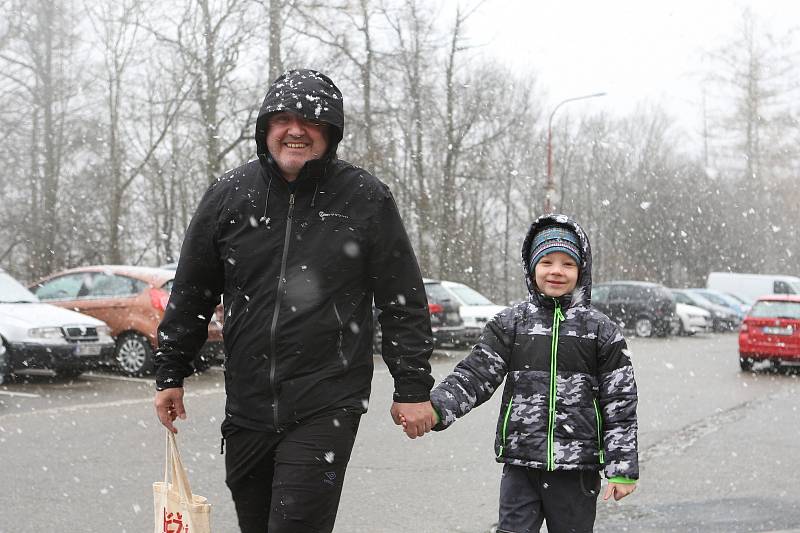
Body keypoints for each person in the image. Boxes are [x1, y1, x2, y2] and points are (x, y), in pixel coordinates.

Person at [153, 68, 438, 533]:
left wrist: (412, 387)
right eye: (282, 118)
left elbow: (401, 298)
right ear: (265, 128)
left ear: (331, 133)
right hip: (246, 406)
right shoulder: (229, 196)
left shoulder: (364, 198)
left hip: (327, 401)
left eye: (311, 119)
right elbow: (192, 292)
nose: (296, 129)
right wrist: (170, 372)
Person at [407, 213, 639, 533]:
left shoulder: (601, 331)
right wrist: (436, 407)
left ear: (581, 271)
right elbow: (476, 373)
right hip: (521, 463)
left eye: (567, 264)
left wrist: (622, 468)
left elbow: (620, 403)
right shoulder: (512, 324)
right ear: (532, 268)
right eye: (547, 262)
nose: (556, 271)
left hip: (577, 468)